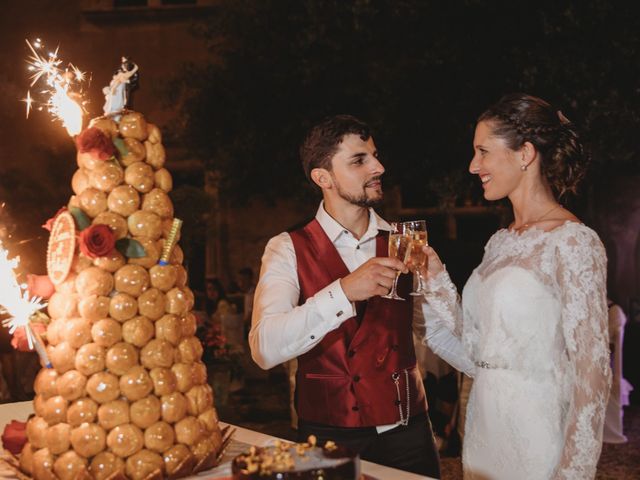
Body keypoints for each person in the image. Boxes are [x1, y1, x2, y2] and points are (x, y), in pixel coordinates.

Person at [418, 93, 611, 479]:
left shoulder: (573, 241)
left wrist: (572, 473)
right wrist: (433, 278)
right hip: (486, 432)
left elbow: (593, 374)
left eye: (483, 151)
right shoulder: (500, 241)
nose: (474, 166)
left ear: (524, 154)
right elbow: (475, 352)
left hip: (537, 434)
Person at [249, 115, 440, 477]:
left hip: (410, 430)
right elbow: (263, 348)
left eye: (375, 155)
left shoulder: (405, 241)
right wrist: (343, 292)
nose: (378, 167)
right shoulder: (286, 248)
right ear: (323, 178)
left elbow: (435, 331)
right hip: (328, 436)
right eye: (359, 160)